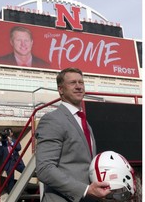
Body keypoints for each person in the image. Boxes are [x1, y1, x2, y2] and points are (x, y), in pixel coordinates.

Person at [35, 67, 111, 202]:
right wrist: (85, 190)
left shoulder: (85, 123)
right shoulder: (52, 120)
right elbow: (44, 169)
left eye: (81, 83)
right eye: (72, 83)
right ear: (61, 89)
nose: (78, 87)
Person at [0, 127, 25, 194]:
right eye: (5, 132)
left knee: (25, 171)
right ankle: (11, 194)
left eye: (8, 132)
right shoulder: (2, 142)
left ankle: (36, 175)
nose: (6, 133)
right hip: (8, 163)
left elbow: (19, 148)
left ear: (11, 133)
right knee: (10, 180)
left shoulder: (14, 140)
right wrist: (1, 144)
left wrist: (11, 143)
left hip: (16, 161)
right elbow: (0, 153)